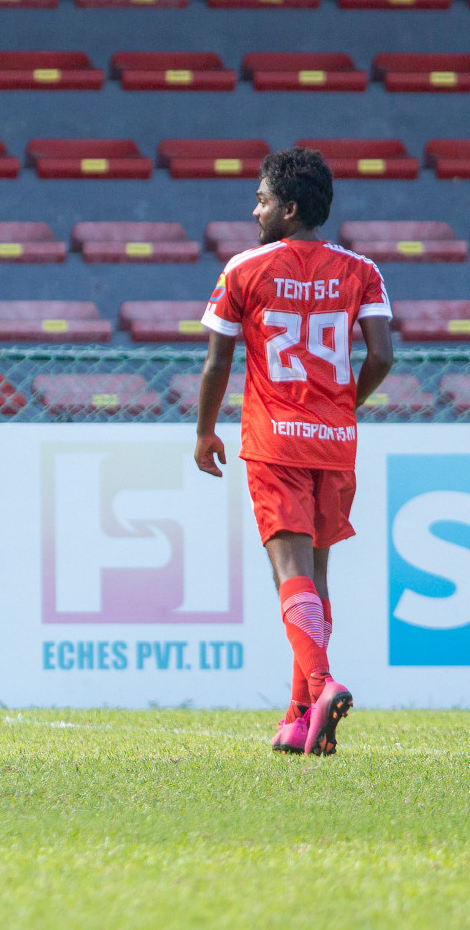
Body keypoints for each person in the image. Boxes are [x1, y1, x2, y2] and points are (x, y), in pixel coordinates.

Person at [195, 147, 393, 757]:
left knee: (289, 573)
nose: (254, 209)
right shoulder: (362, 271)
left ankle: (322, 683)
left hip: (274, 438)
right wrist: (343, 407)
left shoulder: (246, 269)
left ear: (290, 207)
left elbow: (217, 359)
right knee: (316, 577)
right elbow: (382, 357)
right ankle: (297, 718)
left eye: (262, 199)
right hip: (335, 444)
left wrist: (204, 431)